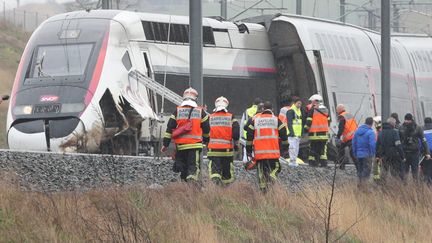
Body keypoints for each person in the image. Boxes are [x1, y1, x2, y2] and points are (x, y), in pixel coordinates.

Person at [161, 88, 210, 182]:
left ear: (184, 98)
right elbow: (207, 129)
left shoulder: (177, 111)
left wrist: (165, 144)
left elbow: (169, 129)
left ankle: (184, 187)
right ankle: (191, 186)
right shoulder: (200, 111)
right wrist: (206, 140)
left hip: (181, 147)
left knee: (183, 168)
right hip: (194, 146)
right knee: (193, 167)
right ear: (196, 99)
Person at [246, 101, 288, 191]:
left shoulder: (256, 120)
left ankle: (263, 191)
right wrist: (285, 148)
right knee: (277, 167)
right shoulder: (276, 119)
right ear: (272, 109)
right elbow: (284, 134)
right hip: (273, 152)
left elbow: (249, 136)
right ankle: (272, 177)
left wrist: (248, 150)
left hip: (260, 154)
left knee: (262, 172)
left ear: (263, 109)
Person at [207, 96, 240, 185]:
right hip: (227, 151)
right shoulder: (231, 117)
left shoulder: (210, 117)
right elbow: (236, 133)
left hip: (213, 151)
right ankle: (225, 191)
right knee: (227, 173)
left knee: (215, 171)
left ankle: (216, 185)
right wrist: (236, 144)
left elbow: (205, 132)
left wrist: (206, 142)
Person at [399, 113, 431, 180]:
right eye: (406, 120)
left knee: (415, 172)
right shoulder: (401, 128)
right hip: (405, 153)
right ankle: (403, 187)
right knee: (404, 172)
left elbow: (423, 141)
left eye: (408, 120)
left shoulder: (417, 128)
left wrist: (427, 152)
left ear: (411, 120)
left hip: (414, 153)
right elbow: (398, 141)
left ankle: (415, 187)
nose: (407, 121)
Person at [304, 94, 330, 167]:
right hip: (324, 134)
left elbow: (309, 120)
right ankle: (323, 163)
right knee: (323, 150)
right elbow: (328, 120)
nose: (311, 103)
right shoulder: (326, 110)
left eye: (311, 102)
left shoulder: (313, 109)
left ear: (315, 101)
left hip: (314, 134)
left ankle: (313, 163)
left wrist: (305, 129)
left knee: (313, 149)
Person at [352, 117, 376, 189]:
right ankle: (364, 186)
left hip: (358, 155)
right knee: (367, 171)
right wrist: (372, 153)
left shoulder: (357, 131)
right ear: (372, 124)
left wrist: (355, 153)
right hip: (367, 154)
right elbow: (372, 144)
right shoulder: (371, 132)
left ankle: (359, 185)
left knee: (360, 170)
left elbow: (354, 143)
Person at [336, 104, 358, 170]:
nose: (336, 112)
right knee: (352, 153)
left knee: (341, 150)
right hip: (354, 136)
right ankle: (358, 167)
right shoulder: (349, 115)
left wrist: (337, 137)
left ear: (339, 110)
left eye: (337, 110)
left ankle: (342, 166)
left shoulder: (342, 117)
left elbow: (341, 128)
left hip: (349, 138)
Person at [286, 96, 305, 167]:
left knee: (296, 148)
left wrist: (301, 132)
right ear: (294, 103)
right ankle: (292, 161)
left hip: (298, 133)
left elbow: (300, 123)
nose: (300, 105)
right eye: (298, 103)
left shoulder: (299, 111)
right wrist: (291, 132)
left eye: (300, 104)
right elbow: (289, 123)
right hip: (292, 134)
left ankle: (294, 161)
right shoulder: (291, 111)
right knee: (292, 147)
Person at [422, 117, 432, 184]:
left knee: (427, 167)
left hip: (426, 152)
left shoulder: (421, 130)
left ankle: (428, 182)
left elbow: (420, 141)